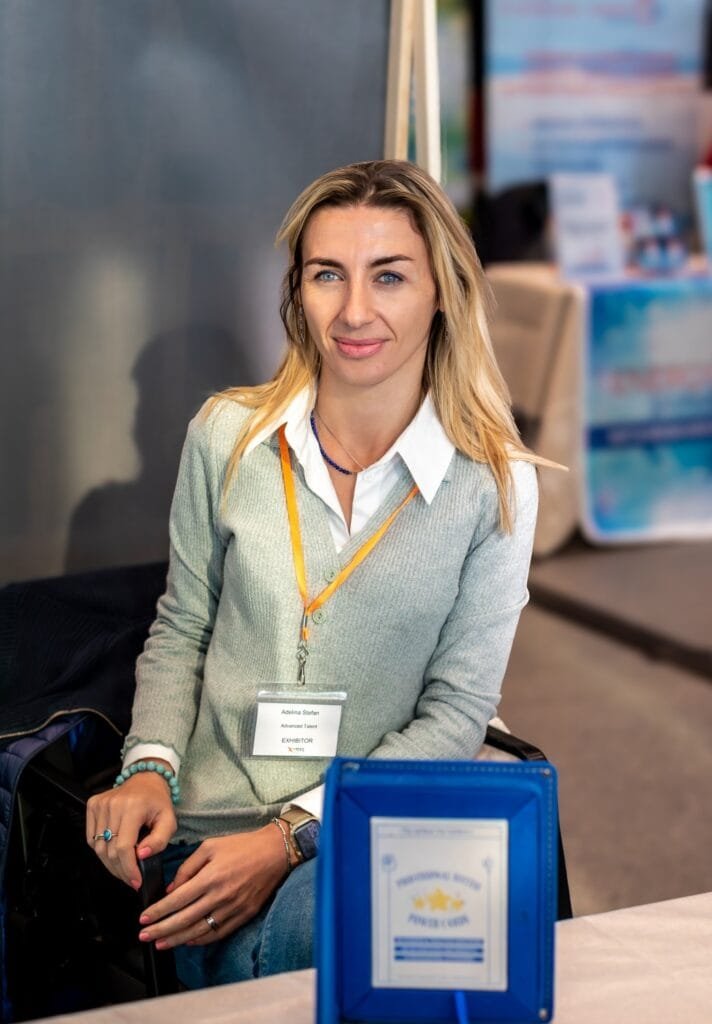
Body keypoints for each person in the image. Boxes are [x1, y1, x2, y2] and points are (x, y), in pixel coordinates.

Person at [86, 159, 544, 988]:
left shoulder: (494, 484)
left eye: (390, 276)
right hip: (208, 834)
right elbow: (183, 625)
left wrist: (291, 836)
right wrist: (148, 764)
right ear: (297, 291)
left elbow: (456, 712)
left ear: (442, 292)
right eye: (327, 274)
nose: (355, 311)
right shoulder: (227, 436)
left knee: (340, 921)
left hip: (370, 830)